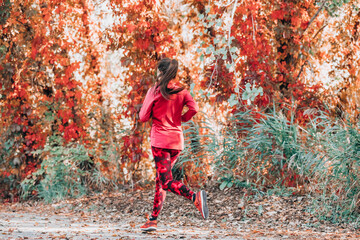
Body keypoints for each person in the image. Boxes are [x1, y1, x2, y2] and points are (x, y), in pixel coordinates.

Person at [138, 58, 209, 232]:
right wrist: (181, 118)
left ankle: (195, 196)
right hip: (176, 142)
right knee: (161, 181)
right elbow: (194, 108)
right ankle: (153, 220)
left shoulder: (155, 91)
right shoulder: (182, 91)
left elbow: (143, 117)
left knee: (166, 181)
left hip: (160, 143)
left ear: (160, 72)